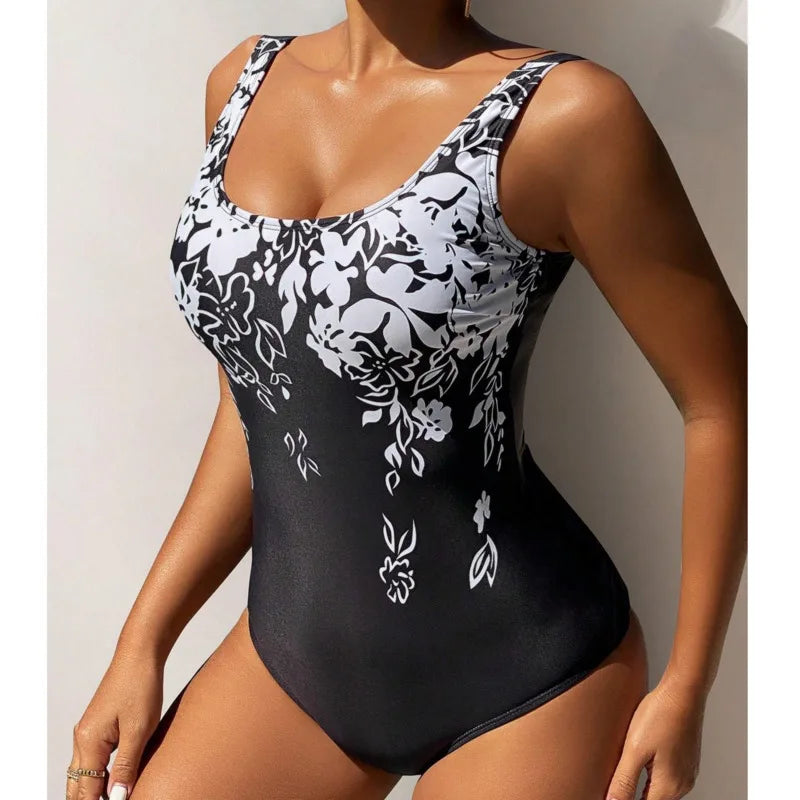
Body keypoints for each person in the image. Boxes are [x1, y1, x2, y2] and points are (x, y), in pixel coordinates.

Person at [67, 2, 747, 799]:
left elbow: (727, 402)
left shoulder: (567, 113)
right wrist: (141, 643)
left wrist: (688, 686)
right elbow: (259, 410)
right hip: (294, 658)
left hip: (528, 670)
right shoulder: (241, 82)